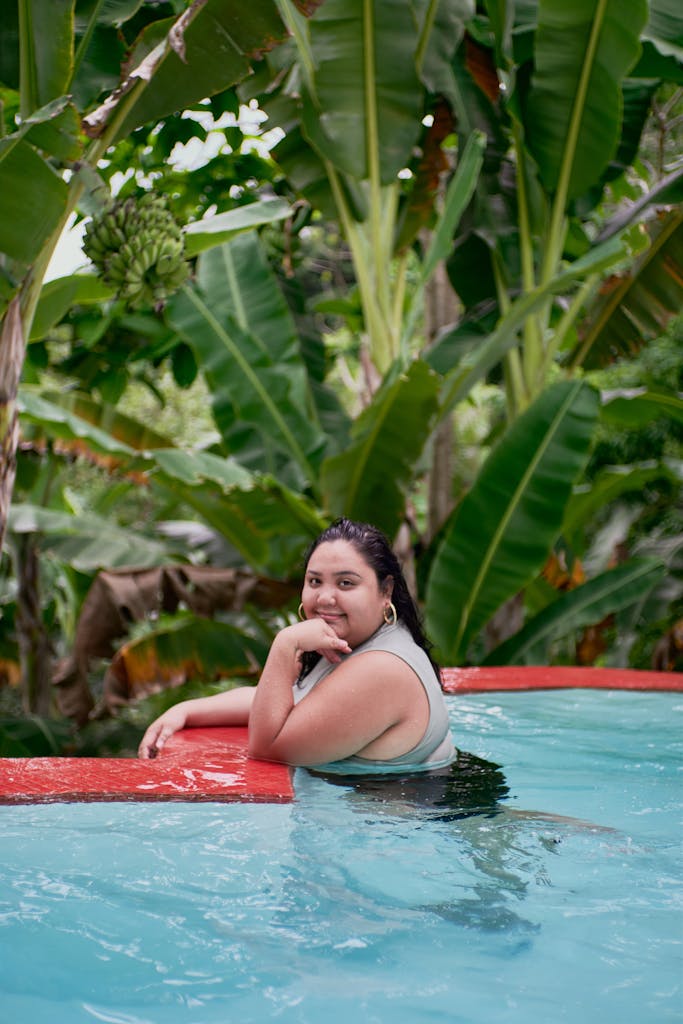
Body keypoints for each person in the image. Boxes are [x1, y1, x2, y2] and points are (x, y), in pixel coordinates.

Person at [138, 518, 456, 773]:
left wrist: (284, 645)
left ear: (385, 591)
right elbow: (291, 701)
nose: (325, 598)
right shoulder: (363, 639)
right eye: (315, 581)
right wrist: (185, 711)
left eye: (346, 583)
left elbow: (268, 749)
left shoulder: (382, 669)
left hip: (398, 836)